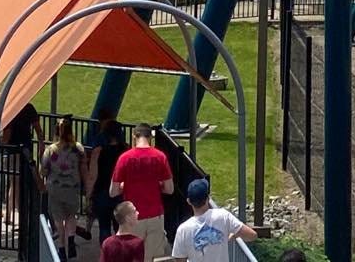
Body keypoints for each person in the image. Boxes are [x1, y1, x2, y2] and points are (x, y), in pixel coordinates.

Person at [110, 124, 173, 262]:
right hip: (155, 215)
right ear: (150, 137)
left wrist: (123, 186)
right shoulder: (160, 157)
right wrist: (158, 185)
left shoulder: (124, 158)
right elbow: (170, 189)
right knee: (152, 258)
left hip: (132, 216)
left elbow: (113, 191)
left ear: (134, 136)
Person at [170, 177, 255, 262]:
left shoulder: (182, 230)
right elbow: (252, 235)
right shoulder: (223, 216)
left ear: (189, 201)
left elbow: (180, 259)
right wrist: (235, 234)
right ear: (208, 198)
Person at [41, 118, 88, 262]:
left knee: (58, 219)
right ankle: (71, 239)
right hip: (72, 188)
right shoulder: (78, 149)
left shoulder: (50, 150)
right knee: (71, 216)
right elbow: (83, 168)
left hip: (55, 188)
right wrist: (86, 184)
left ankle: (61, 247)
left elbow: (43, 170)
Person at [86, 110, 128, 242]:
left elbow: (93, 174)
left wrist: (89, 193)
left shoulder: (98, 151)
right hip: (120, 192)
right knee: (120, 227)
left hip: (102, 191)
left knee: (104, 227)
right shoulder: (126, 150)